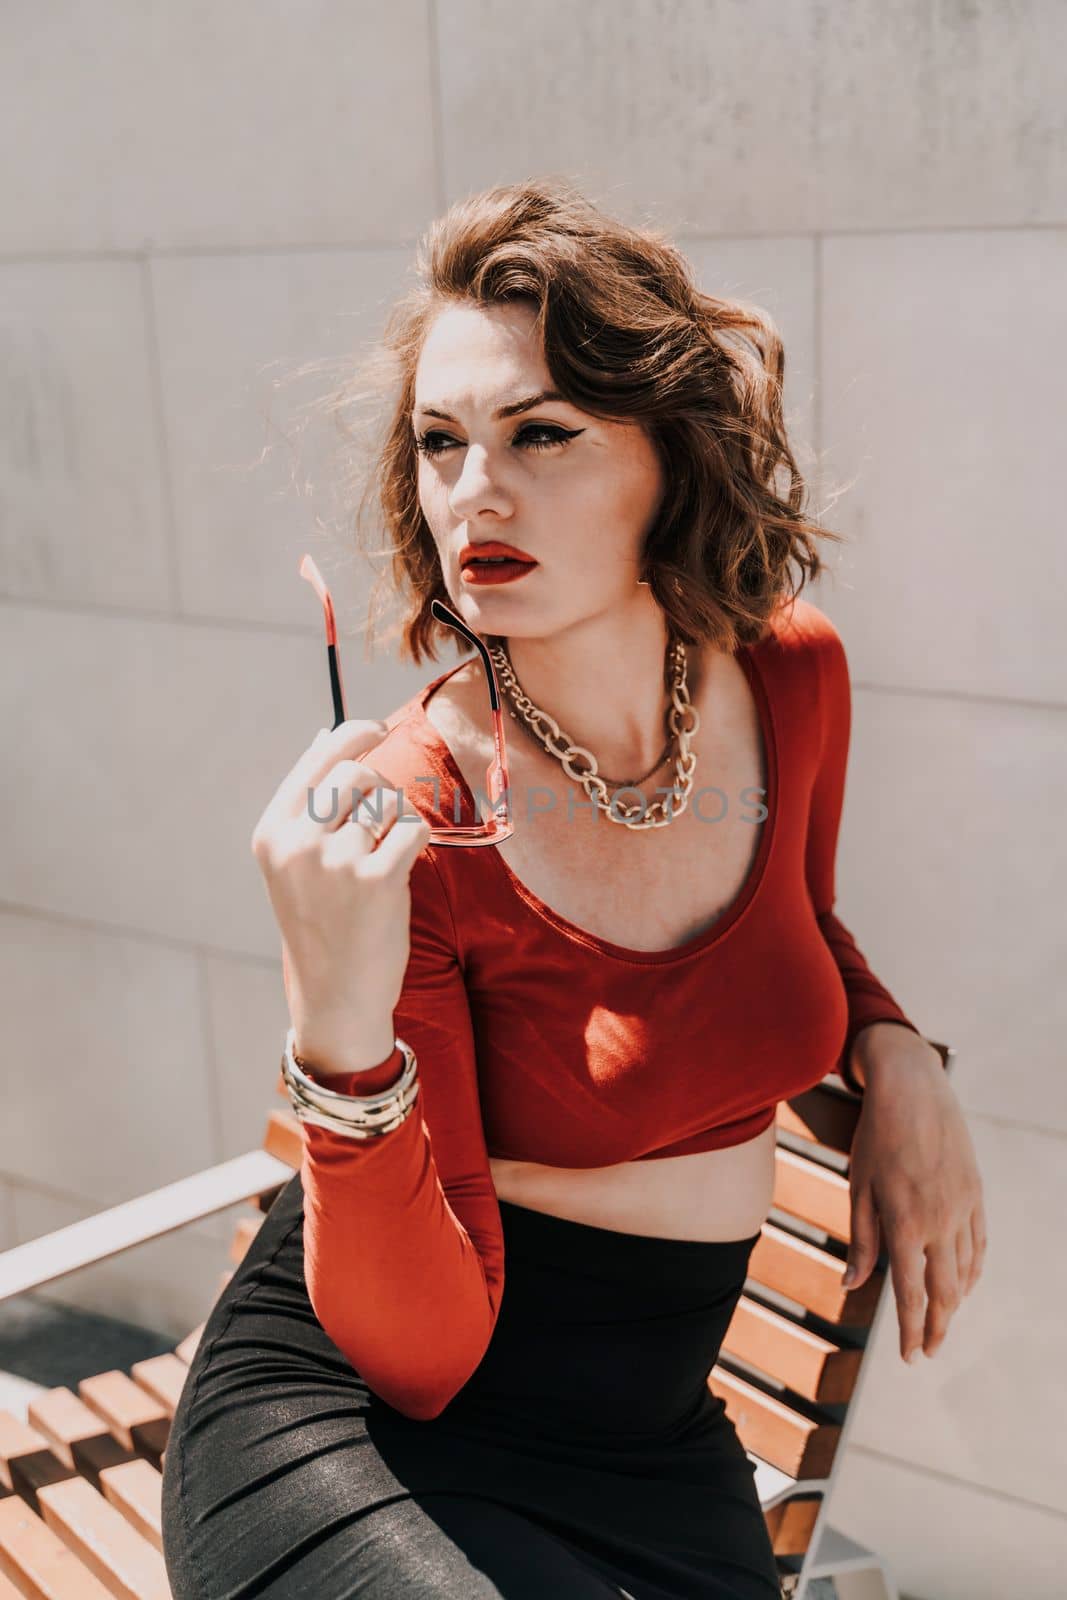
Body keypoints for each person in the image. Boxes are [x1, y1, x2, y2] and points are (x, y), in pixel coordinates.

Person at [161, 179, 985, 1599]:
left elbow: (801, 918)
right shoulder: (418, 813)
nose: (476, 490)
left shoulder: (793, 677)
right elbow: (423, 1362)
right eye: (440, 443)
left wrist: (896, 1048)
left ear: (673, 452)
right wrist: (337, 1039)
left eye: (543, 433)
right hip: (360, 1428)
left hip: (649, 1445)